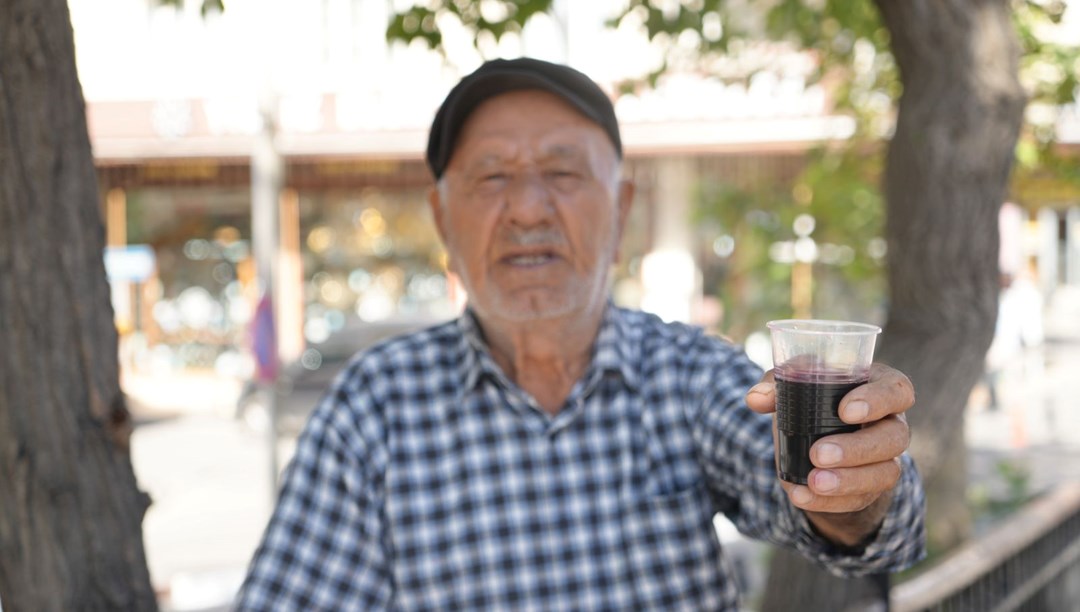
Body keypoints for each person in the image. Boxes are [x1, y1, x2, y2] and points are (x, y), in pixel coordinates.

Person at [235, 57, 926, 611]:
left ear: (621, 209)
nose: (528, 209)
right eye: (492, 176)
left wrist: (853, 482)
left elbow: (856, 522)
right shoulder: (374, 406)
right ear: (443, 222)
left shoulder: (683, 373)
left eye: (563, 173)